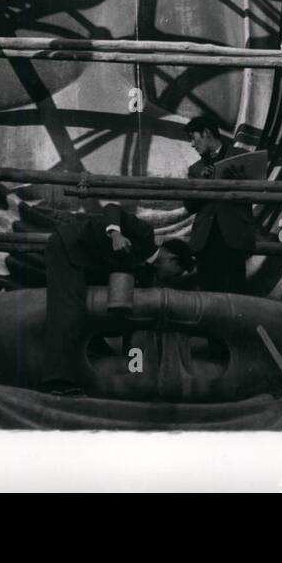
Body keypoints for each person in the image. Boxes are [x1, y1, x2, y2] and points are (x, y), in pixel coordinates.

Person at [42, 203, 194, 395]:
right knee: (68, 310)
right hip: (69, 246)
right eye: (176, 273)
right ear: (171, 258)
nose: (171, 279)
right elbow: (112, 208)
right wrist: (116, 234)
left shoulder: (146, 274)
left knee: (95, 309)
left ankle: (95, 349)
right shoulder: (144, 233)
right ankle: (57, 381)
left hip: (89, 263)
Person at [184, 118, 256, 294]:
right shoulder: (195, 169)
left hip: (234, 238)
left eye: (194, 138)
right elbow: (189, 205)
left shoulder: (241, 157)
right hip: (205, 242)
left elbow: (256, 193)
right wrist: (204, 183)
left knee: (235, 294)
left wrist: (240, 182)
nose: (192, 144)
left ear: (207, 133)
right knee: (208, 295)